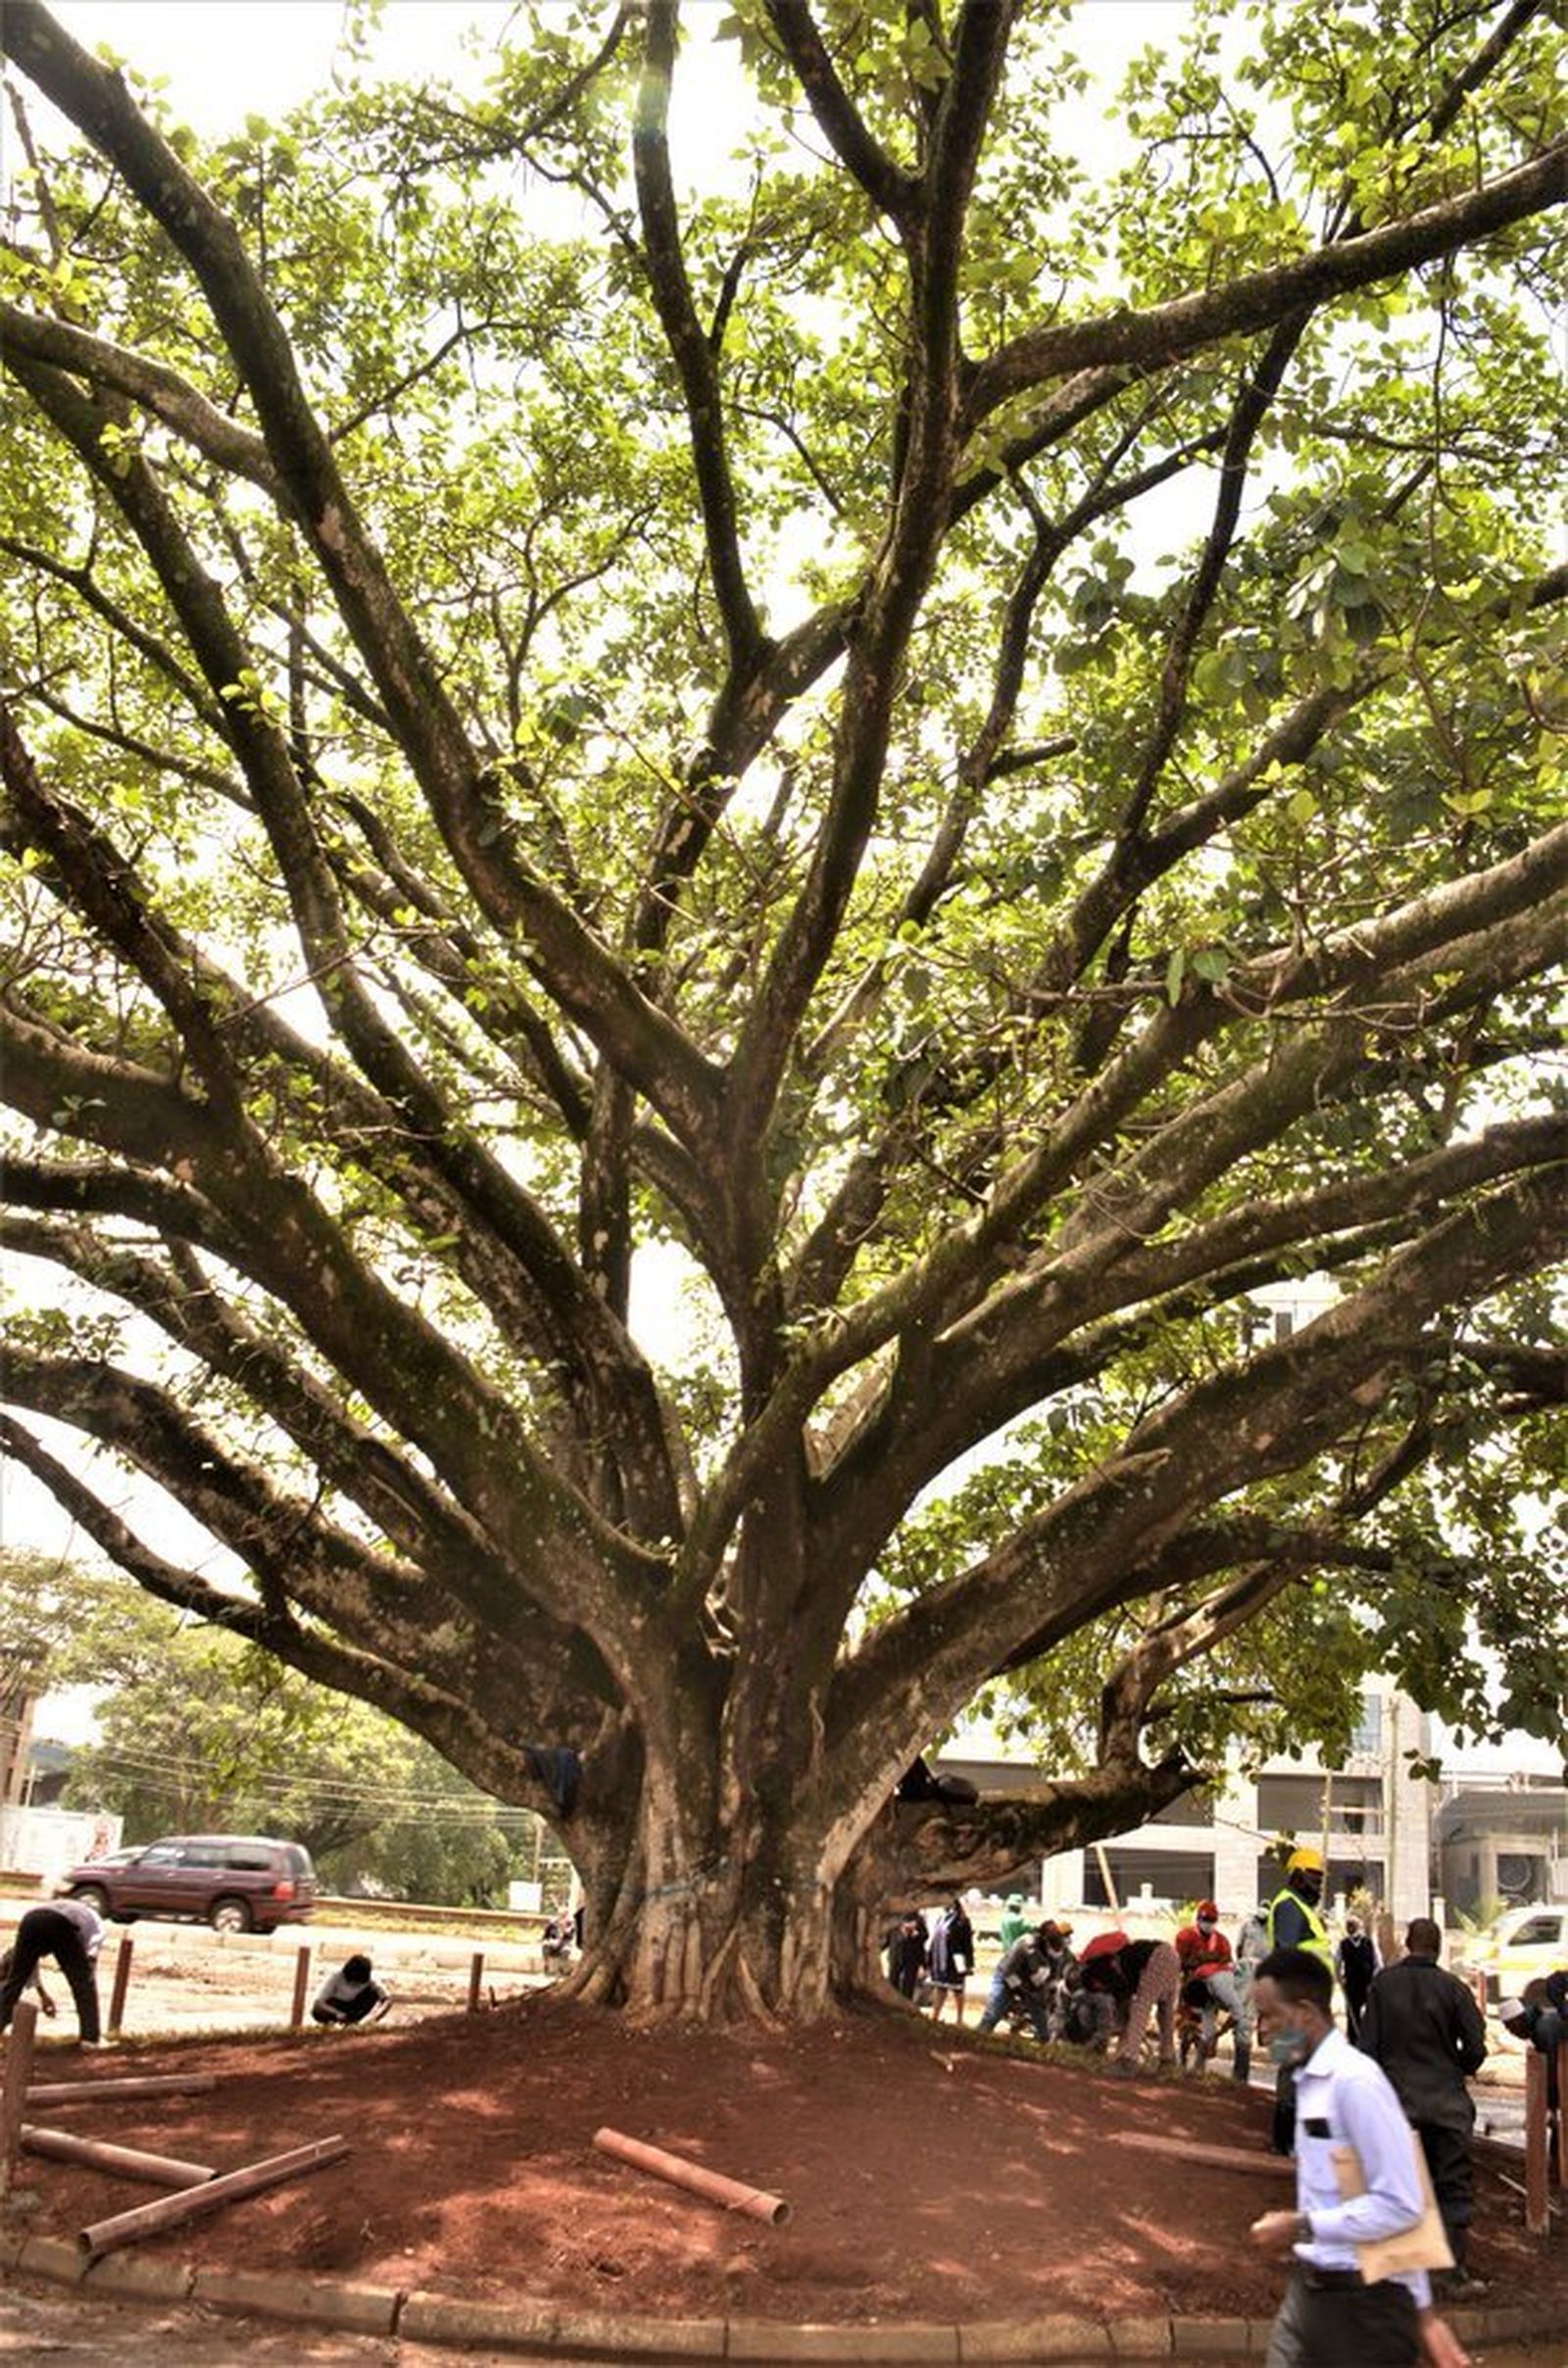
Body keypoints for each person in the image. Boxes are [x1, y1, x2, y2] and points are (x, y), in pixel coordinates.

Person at [1249, 1948, 1471, 2368]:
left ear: (1304, 2014)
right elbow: (1366, 2188)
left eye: (1269, 2016)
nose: (1261, 2030)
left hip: (1366, 2307)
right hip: (1309, 2293)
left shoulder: (1356, 2083)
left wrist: (1300, 2225)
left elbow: (1401, 2203)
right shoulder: (1309, 2082)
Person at [1358, 1918, 1487, 2289]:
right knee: (1452, 2186)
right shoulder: (1454, 1988)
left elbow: (1368, 2048)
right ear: (1439, 1947)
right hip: (1446, 2104)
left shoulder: (1383, 1985)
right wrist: (1457, 2068)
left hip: (1397, 2104)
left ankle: (1396, 2271)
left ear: (1407, 1943)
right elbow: (1475, 2048)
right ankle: (1451, 2273)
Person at [1267, 1849, 1335, 2151]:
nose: (1317, 1885)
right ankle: (1285, 2142)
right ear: (1295, 1876)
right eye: (1312, 1877)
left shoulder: (1300, 1908)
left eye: (1320, 1879)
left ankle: (1297, 2141)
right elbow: (1287, 1953)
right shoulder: (1289, 1907)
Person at [0, 1898, 105, 2046]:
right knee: (83, 1984)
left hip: (30, 1920)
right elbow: (91, 1954)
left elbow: (28, 1965)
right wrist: (85, 1974)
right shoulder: (96, 1922)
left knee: (15, 1981)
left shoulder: (66, 1906)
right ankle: (90, 2039)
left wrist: (43, 1995)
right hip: (58, 1924)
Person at [1078, 1933, 1182, 2074]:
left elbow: (1128, 2015)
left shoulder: (1113, 1967)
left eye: (1098, 1986)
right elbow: (1124, 2015)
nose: (1101, 1989)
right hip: (1172, 1956)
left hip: (1158, 1958)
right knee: (1165, 2013)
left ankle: (1128, 2059)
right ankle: (1167, 2060)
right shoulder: (1116, 1966)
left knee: (1141, 2009)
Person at [1175, 1899, 1251, 2081]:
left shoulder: (1222, 1942)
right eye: (1205, 1920)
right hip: (1192, 1989)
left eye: (1211, 1921)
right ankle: (1182, 2061)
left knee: (1208, 2030)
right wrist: (1200, 1961)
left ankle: (1200, 2065)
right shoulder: (1186, 1936)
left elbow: (1226, 1965)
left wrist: (1218, 2034)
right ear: (1198, 1919)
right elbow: (1179, 1962)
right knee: (1187, 2027)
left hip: (1211, 1991)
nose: (1208, 1924)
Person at [976, 1919, 1068, 2038]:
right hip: (1007, 1977)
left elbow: (1052, 1977)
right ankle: (979, 2037)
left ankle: (1045, 2042)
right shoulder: (1026, 1944)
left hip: (1031, 1982)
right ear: (1045, 1940)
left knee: (1042, 2020)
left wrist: (1047, 1994)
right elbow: (1009, 1973)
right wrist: (1027, 1991)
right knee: (993, 2013)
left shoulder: (1059, 1951)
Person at [926, 1895, 974, 2023]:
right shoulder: (941, 1919)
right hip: (940, 1959)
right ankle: (935, 2016)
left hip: (956, 1960)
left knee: (958, 1989)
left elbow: (967, 1944)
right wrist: (929, 1959)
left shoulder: (962, 1921)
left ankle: (959, 2018)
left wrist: (969, 1963)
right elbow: (934, 1940)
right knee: (940, 1988)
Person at [311, 1951, 390, 2026]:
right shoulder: (337, 1978)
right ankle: (333, 2023)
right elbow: (320, 2003)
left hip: (354, 2009)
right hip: (336, 2007)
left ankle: (352, 2022)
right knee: (317, 2010)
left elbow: (383, 1997)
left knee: (372, 1993)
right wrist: (337, 2013)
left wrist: (378, 2014)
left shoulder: (367, 1982)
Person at [1338, 1914, 1379, 2042]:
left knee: (1355, 2012)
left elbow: (1336, 1964)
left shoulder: (1344, 1944)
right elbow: (1378, 1963)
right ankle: (1364, 2036)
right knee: (1366, 2011)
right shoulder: (1368, 1943)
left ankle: (1355, 2038)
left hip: (1355, 1983)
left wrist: (1339, 1979)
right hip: (1364, 1982)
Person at [884, 1910, 928, 2001]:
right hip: (895, 1955)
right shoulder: (894, 1918)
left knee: (908, 1984)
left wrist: (916, 1933)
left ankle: (905, 2003)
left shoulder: (918, 1919)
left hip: (912, 1957)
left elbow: (925, 1936)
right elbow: (887, 1937)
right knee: (893, 1981)